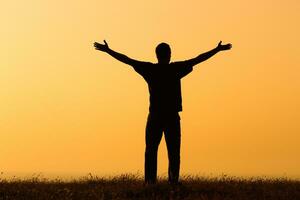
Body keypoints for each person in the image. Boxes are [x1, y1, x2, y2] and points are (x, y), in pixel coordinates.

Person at [94, 40, 232, 184]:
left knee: (151, 151)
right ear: (169, 55)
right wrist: (216, 50)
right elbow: (198, 59)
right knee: (173, 153)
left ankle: (150, 183)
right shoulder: (175, 69)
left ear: (157, 55)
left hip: (155, 116)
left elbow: (127, 60)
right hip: (171, 116)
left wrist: (108, 51)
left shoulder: (150, 69)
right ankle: (173, 182)